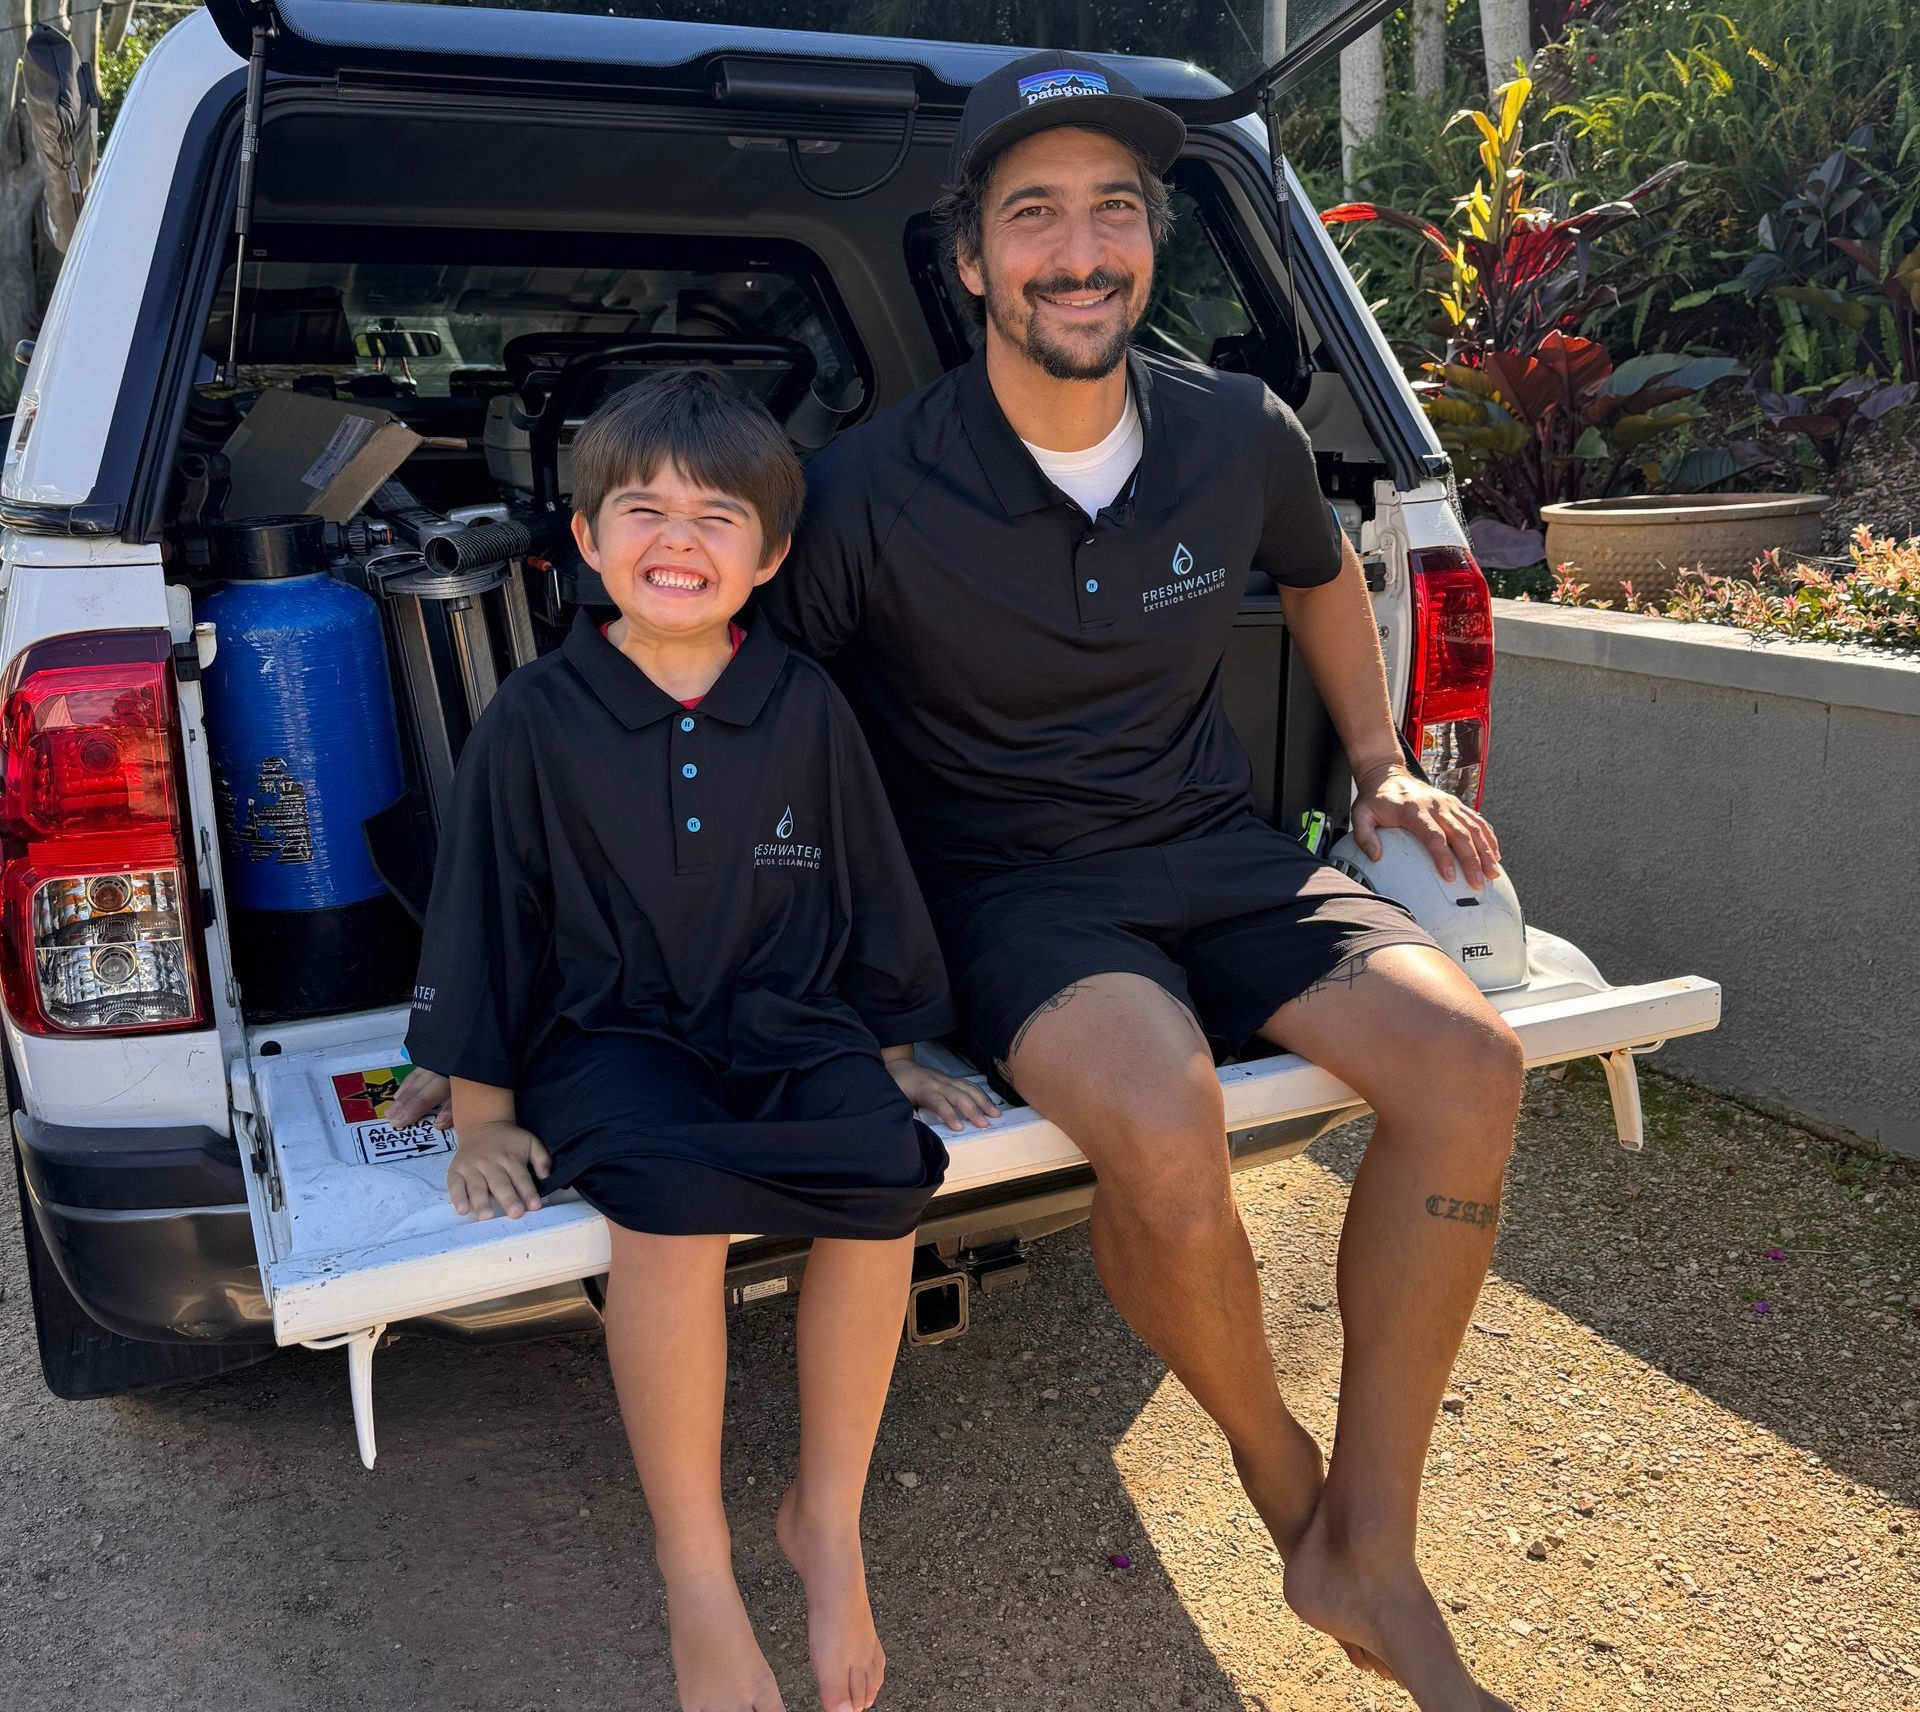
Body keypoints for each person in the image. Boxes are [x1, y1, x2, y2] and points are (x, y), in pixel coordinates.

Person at [756, 52, 1524, 1712]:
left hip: (1221, 851)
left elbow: (1324, 576)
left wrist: (1380, 756)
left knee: (1471, 1066)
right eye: (1035, 214)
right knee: (1164, 1113)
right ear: (969, 261)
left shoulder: (1230, 432)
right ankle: (1277, 1479)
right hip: (1012, 893)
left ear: (1151, 245)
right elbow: (768, 712)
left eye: (1116, 208)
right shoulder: (871, 489)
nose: (1082, 248)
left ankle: (1368, 1545)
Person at [403, 368, 996, 1712]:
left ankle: (825, 1523)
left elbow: (867, 882)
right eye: (644, 509)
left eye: (719, 514)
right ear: (586, 541)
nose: (680, 537)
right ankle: (697, 1569)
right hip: (610, 1033)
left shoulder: (805, 705)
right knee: (662, 1211)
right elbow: (485, 917)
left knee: (886, 1180)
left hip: (786, 1013)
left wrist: (901, 1047)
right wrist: (484, 1110)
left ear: (773, 555)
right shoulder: (536, 720)